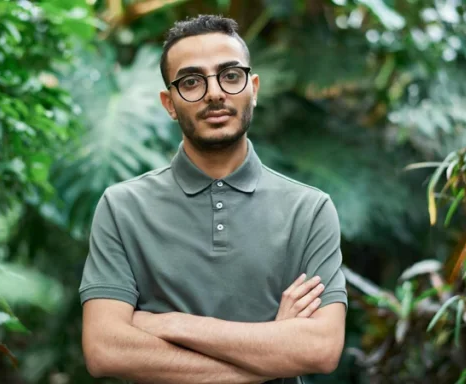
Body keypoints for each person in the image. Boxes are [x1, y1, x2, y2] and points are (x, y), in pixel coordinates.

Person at [79, 14, 348, 384]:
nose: (215, 93)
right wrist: (271, 352)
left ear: (253, 87)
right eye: (191, 82)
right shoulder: (122, 206)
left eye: (231, 76)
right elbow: (105, 351)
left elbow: (320, 349)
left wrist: (171, 324)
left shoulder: (309, 210)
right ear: (169, 103)